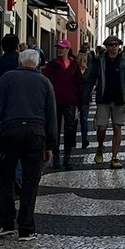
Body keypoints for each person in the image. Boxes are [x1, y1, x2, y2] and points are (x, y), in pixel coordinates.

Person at [0, 48, 57, 240]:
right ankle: (26, 228)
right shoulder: (45, 82)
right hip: (35, 134)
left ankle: (6, 223)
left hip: (9, 133)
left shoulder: (7, 78)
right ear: (37, 64)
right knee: (30, 182)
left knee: (6, 180)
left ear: (20, 61)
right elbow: (51, 115)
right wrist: (50, 145)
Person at [94, 34, 125, 168]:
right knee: (102, 127)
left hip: (119, 99)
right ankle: (100, 147)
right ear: (106, 47)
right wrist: (85, 95)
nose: (114, 47)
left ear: (119, 46)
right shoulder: (100, 60)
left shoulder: (124, 61)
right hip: (103, 98)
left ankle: (114, 157)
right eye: (111, 45)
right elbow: (91, 78)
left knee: (117, 127)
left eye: (116, 45)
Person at [43, 38, 84, 170]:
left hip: (70, 102)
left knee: (69, 130)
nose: (59, 50)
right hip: (55, 101)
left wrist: (82, 101)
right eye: (58, 47)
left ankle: (67, 158)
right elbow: (45, 80)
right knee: (54, 130)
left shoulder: (74, 65)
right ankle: (55, 158)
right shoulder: (53, 64)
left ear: (67, 49)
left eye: (62, 47)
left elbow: (80, 83)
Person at [78, 49, 95, 149]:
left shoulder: (89, 71)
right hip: (75, 99)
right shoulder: (75, 71)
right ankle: (72, 140)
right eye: (85, 61)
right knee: (73, 121)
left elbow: (93, 83)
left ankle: (85, 140)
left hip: (86, 99)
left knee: (84, 120)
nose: (86, 63)